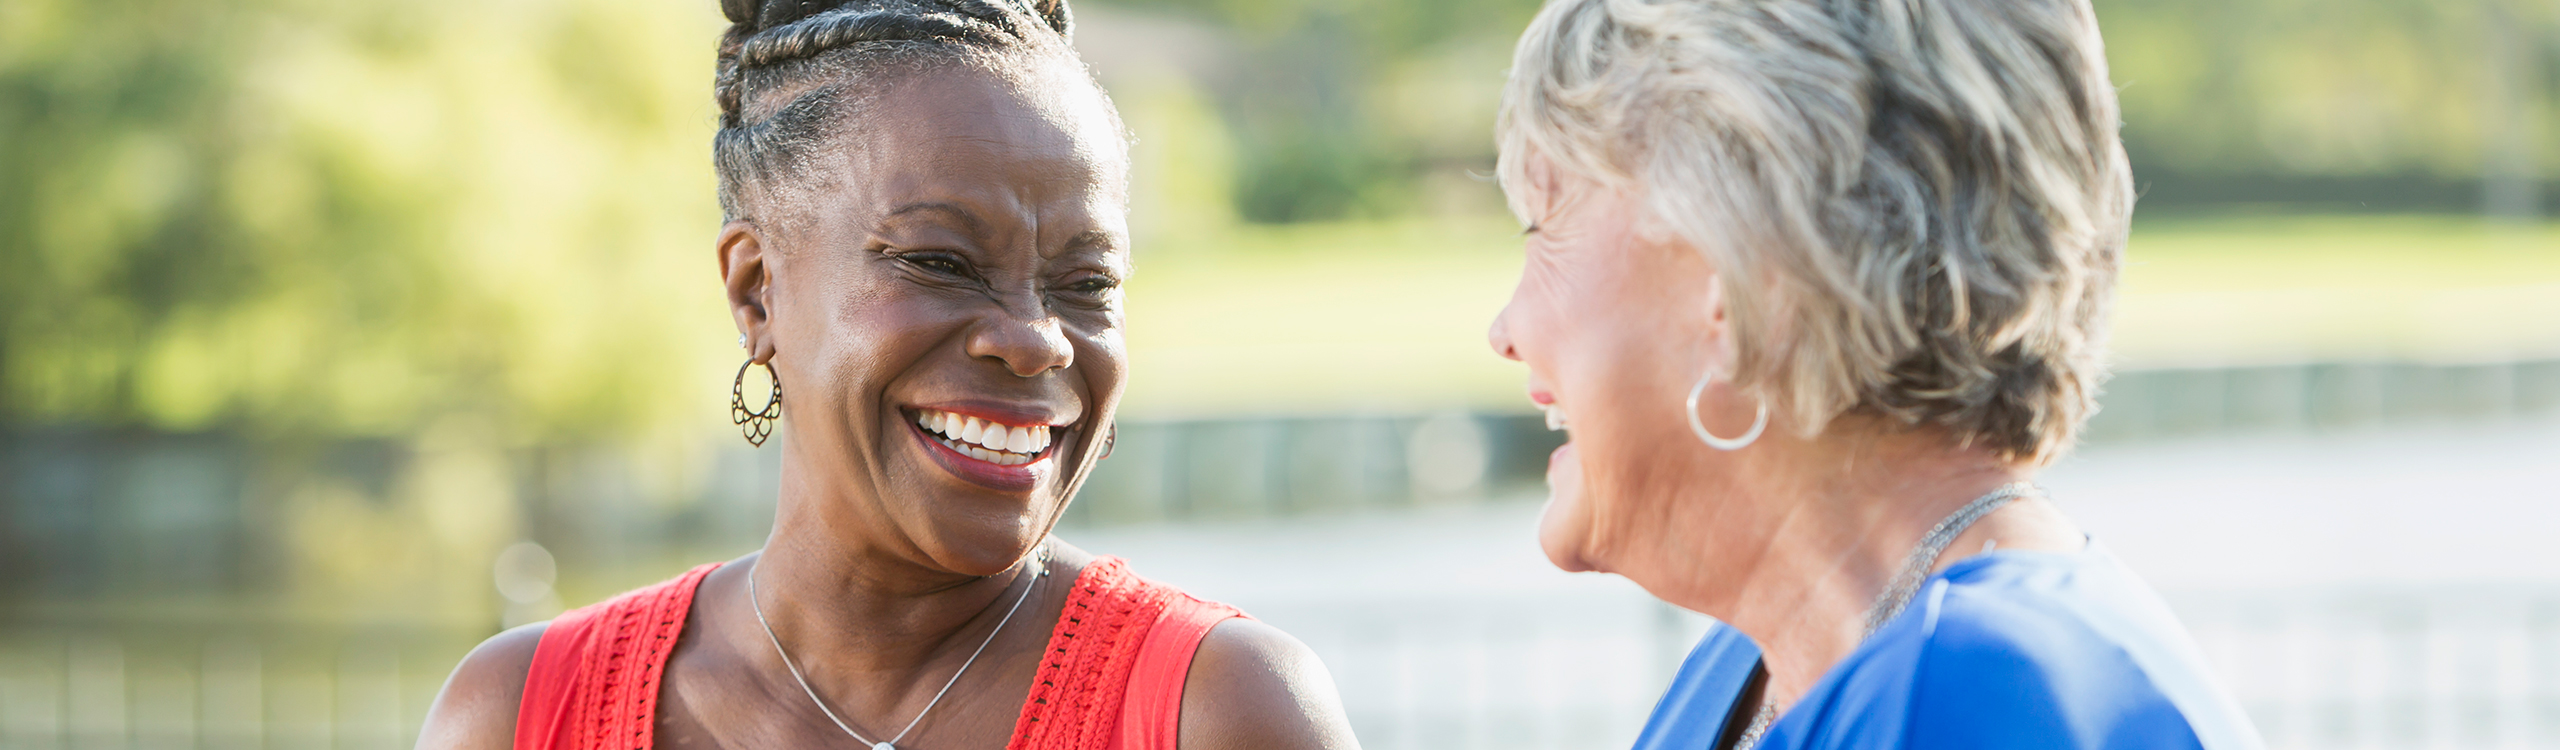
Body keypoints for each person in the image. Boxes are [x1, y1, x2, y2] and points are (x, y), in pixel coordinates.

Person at [417, 1, 1360, 748]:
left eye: (1087, 282)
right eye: (940, 262)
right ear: (757, 293)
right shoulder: (522, 716)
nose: (1037, 341)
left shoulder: (1218, 714)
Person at [1485, 0, 2262, 748]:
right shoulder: (1748, 673)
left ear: (1737, 286)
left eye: (1542, 230)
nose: (1504, 330)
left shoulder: (1978, 696)